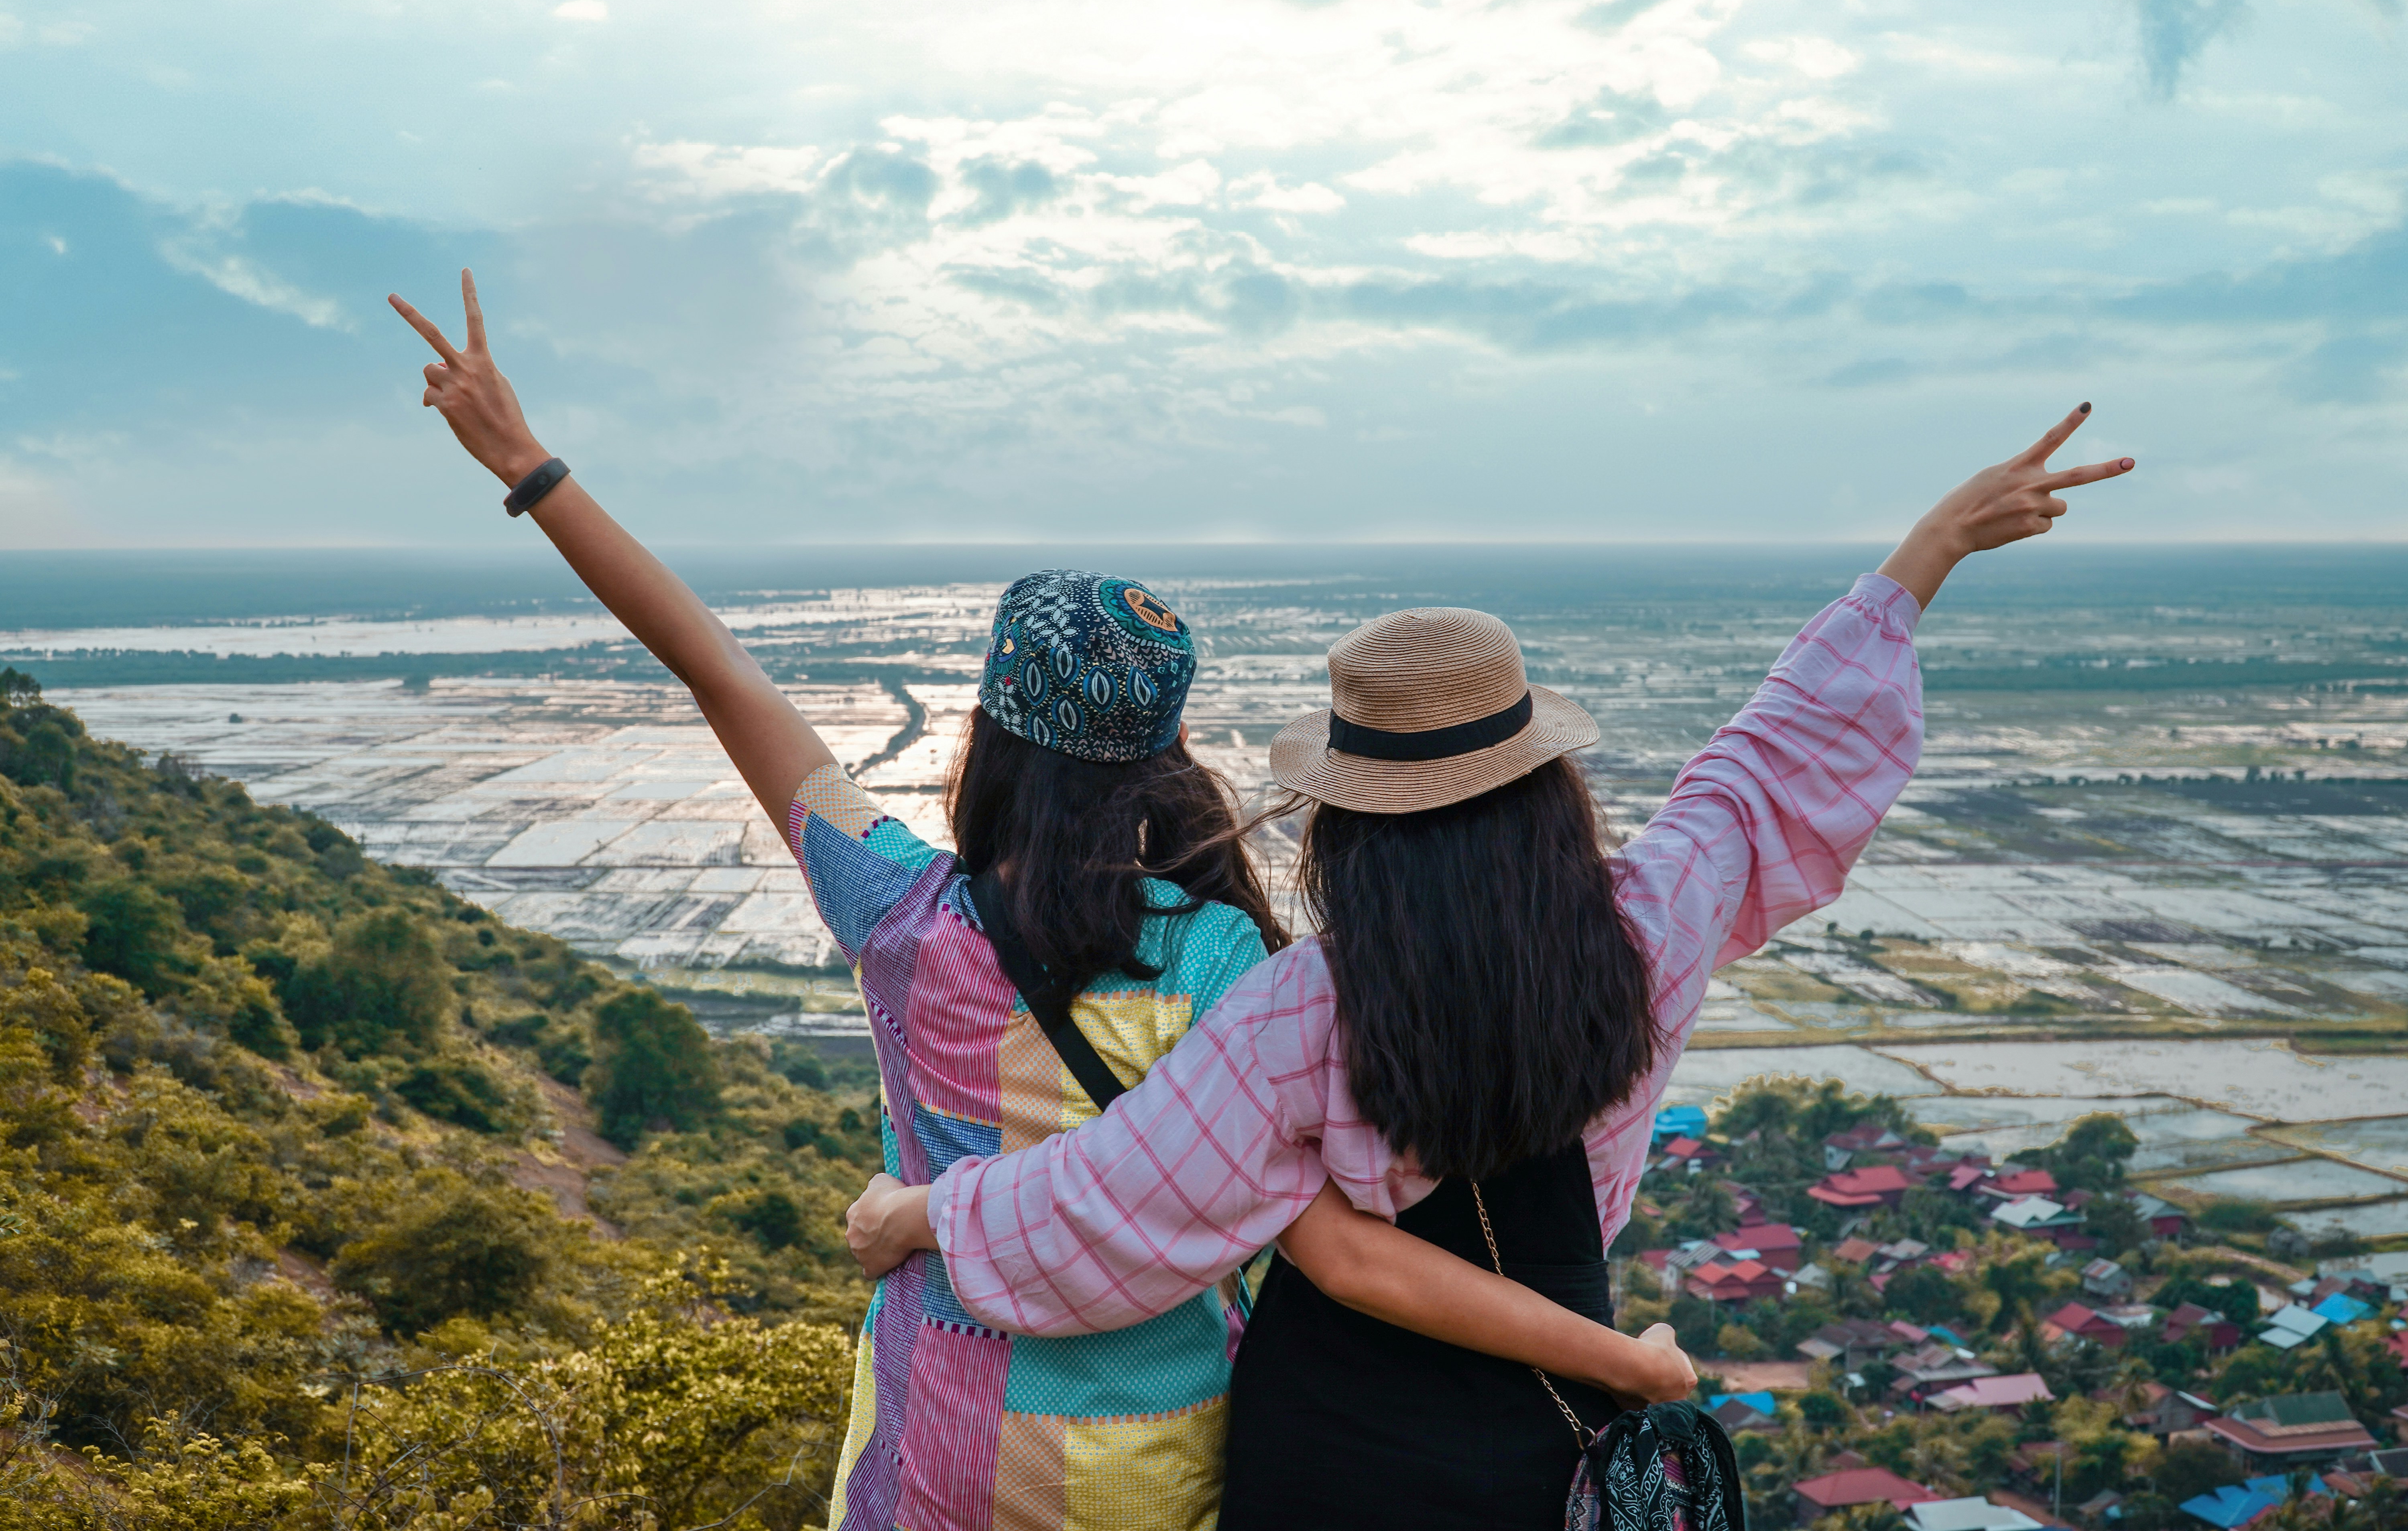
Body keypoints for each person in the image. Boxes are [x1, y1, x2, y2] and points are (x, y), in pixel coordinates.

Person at [388, 272, 1701, 1531]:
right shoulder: (1233, 960)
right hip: (1157, 1460)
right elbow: (1336, 1247)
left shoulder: (902, 917)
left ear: (992, 729)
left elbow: (713, 669)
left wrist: (530, 469)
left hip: (932, 1449)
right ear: (1163, 754)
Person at [844, 407, 2137, 1529]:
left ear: (1347, 814)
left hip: (1328, 1451)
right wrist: (1925, 557)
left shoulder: (1305, 1009)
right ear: (1541, 780)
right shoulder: (1645, 929)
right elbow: (1766, 767)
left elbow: (1113, 1197)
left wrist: (926, 1213)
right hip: (1548, 1438)